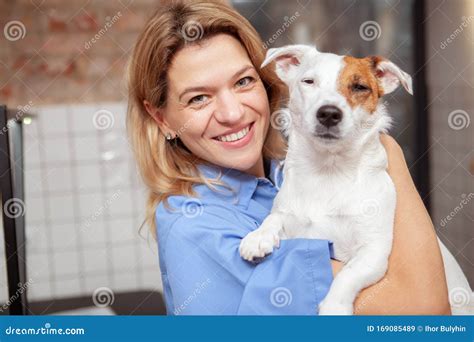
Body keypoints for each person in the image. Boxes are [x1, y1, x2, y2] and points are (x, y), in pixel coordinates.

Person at [126, 0, 450, 315]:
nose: (232, 112)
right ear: (162, 118)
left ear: (267, 83)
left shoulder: (287, 175)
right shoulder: (198, 228)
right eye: (198, 98)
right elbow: (427, 313)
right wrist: (387, 150)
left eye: (243, 81)